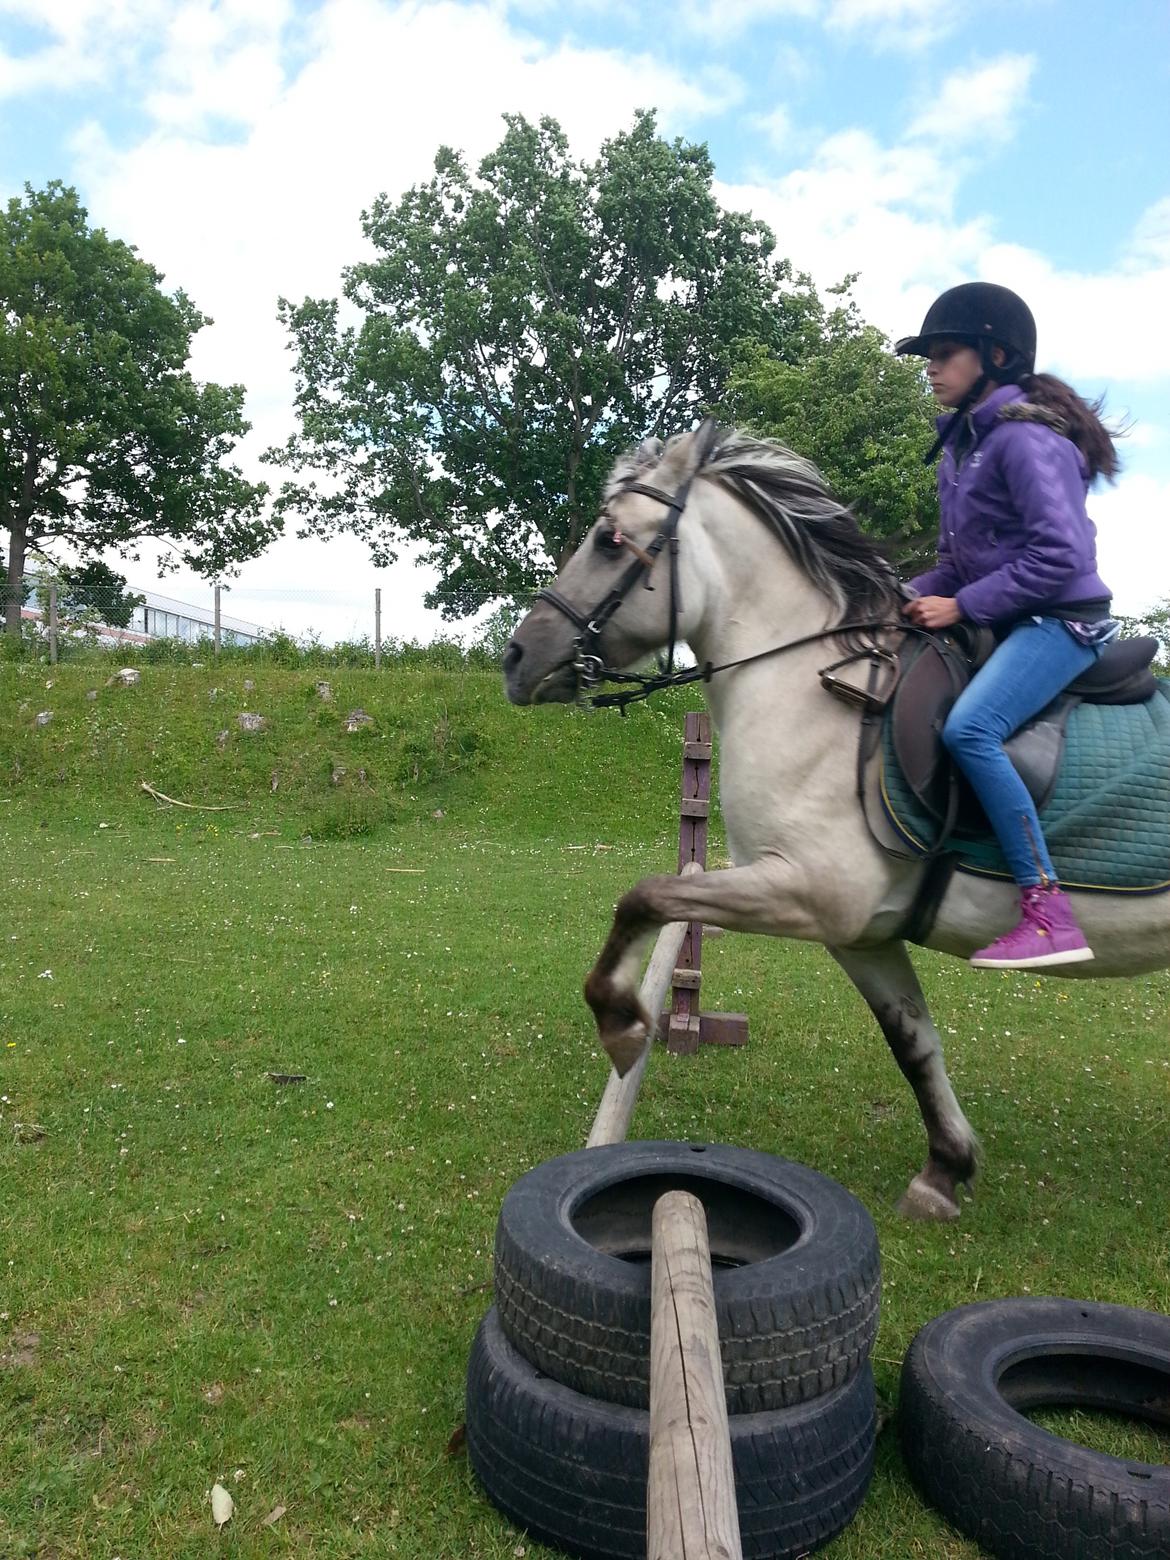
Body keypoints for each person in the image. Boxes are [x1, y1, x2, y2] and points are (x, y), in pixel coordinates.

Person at [895, 281, 1119, 970]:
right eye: (928, 355)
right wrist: (895, 595)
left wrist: (961, 607)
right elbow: (954, 564)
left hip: (1062, 619)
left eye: (946, 352)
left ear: (994, 356)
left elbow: (1061, 556)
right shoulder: (963, 447)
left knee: (971, 728)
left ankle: (1048, 909)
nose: (931, 366)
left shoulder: (1024, 440)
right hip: (1016, 612)